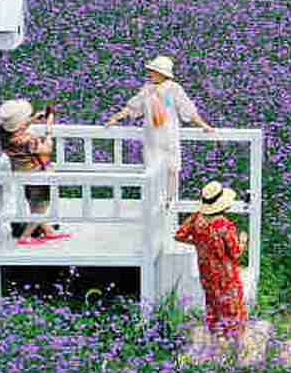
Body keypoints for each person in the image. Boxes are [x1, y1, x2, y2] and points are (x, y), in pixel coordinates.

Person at [106, 55, 215, 204]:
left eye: (153, 71)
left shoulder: (174, 89)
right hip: (152, 136)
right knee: (152, 168)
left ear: (162, 74)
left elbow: (187, 109)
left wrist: (203, 125)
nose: (150, 74)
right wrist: (116, 117)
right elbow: (133, 106)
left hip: (169, 134)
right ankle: (152, 202)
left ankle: (170, 200)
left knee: (172, 168)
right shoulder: (147, 90)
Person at [175, 180, 248, 338]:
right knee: (231, 303)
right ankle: (234, 342)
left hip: (206, 271)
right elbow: (235, 253)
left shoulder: (197, 219)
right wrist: (243, 240)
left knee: (212, 302)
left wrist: (197, 242)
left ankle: (216, 338)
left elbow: (179, 235)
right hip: (225, 273)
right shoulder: (223, 225)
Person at [0, 98, 66, 243]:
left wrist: (33, 119)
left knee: (34, 202)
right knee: (42, 205)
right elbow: (47, 150)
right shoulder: (28, 141)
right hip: (37, 174)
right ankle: (25, 236)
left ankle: (48, 231)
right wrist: (49, 129)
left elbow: (16, 129)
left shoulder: (5, 136)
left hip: (21, 173)